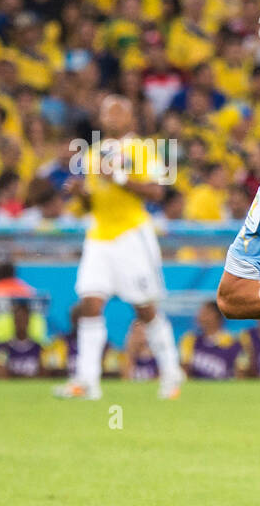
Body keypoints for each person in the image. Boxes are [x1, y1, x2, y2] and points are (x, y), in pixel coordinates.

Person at [53, 95, 184, 400]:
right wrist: (79, 194)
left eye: (118, 111)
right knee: (89, 303)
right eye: (107, 111)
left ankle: (171, 372)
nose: (111, 116)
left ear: (130, 118)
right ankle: (87, 381)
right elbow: (92, 200)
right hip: (98, 236)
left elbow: (156, 192)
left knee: (145, 307)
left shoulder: (142, 148)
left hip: (131, 236)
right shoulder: (92, 153)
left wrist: (120, 177)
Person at [180, 300, 243, 380]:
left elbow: (240, 371)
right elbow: (185, 367)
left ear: (216, 315)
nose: (200, 316)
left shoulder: (232, 341)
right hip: (197, 389)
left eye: (205, 313)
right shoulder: (190, 339)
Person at [0, 301, 46, 378]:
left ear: (28, 321)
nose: (21, 322)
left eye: (24, 318)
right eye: (18, 318)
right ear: (14, 321)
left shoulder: (38, 348)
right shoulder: (4, 348)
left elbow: (44, 374)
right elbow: (0, 372)